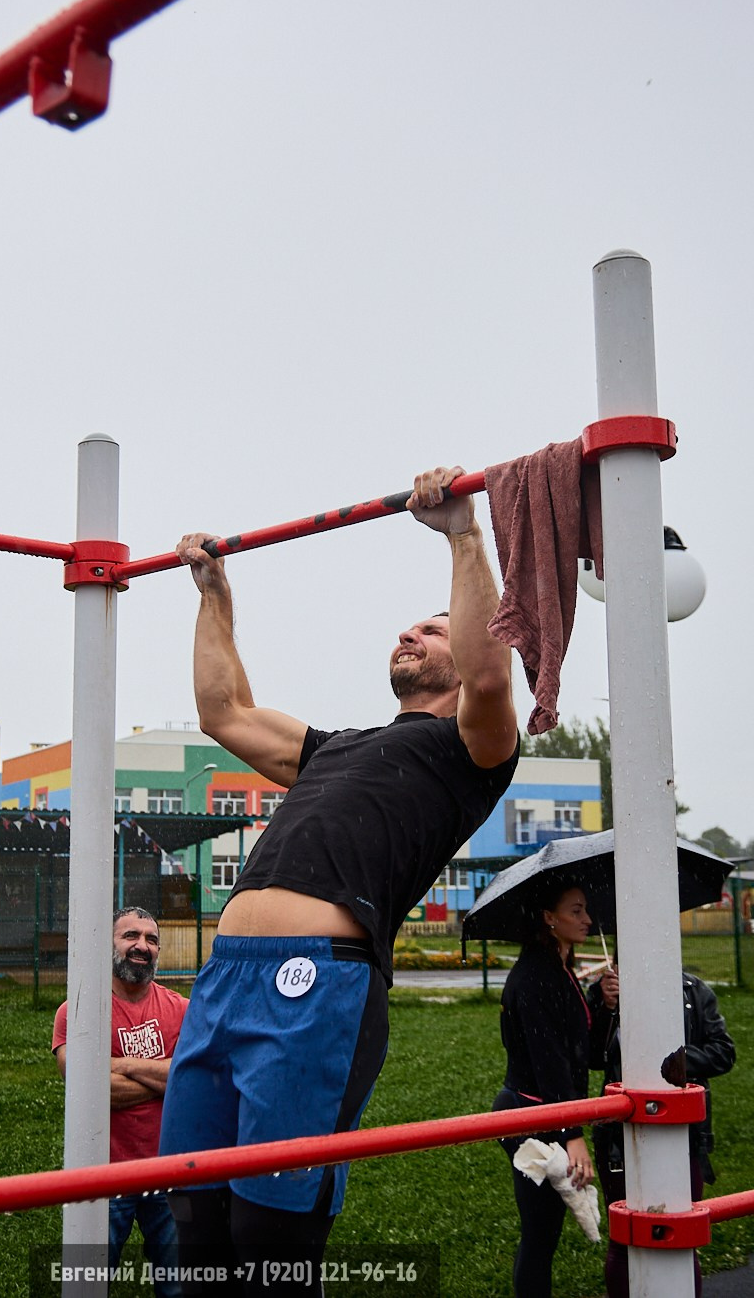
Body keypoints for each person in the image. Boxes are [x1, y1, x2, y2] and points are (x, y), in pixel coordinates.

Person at [159, 465, 522, 1293]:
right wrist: (213, 592)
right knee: (194, 1225)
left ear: (463, 653)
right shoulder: (336, 744)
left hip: (315, 985)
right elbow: (225, 713)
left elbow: (493, 674)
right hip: (222, 985)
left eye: (432, 630)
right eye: (409, 627)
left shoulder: (473, 750)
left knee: (270, 1239)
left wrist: (463, 533)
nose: (411, 634)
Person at [51, 907, 190, 1297]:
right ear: (107, 944)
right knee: (88, 1284)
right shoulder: (77, 1010)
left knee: (179, 1286)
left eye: (151, 939)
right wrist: (165, 1076)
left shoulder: (181, 1010)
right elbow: (86, 1087)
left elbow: (191, 1080)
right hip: (103, 1174)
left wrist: (118, 1064)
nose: (142, 946)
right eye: (130, 936)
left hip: (170, 1170)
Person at [587, 964, 736, 1298]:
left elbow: (724, 1052)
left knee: (683, 1234)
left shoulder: (693, 991)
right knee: (623, 1237)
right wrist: (606, 1008)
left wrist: (675, 1062)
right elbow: (593, 1057)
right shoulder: (605, 992)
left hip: (683, 1133)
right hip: (620, 1136)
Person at [494, 880, 601, 1298]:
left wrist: (604, 1005)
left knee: (545, 1232)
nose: (587, 919)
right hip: (527, 1117)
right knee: (540, 1233)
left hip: (544, 1114)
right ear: (549, 918)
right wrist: (572, 1135)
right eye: (576, 911)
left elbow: (581, 1052)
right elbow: (550, 1061)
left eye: (586, 910)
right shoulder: (536, 976)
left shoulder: (559, 970)